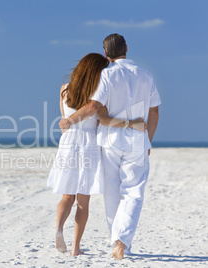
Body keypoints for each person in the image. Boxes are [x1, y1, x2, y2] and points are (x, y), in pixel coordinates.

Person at [59, 34, 161, 260]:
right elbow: (154, 112)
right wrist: (148, 141)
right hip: (137, 141)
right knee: (134, 192)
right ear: (126, 47)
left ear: (106, 53)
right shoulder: (146, 75)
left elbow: (94, 106)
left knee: (112, 192)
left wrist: (70, 120)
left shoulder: (106, 75)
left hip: (110, 141)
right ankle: (122, 241)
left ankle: (117, 240)